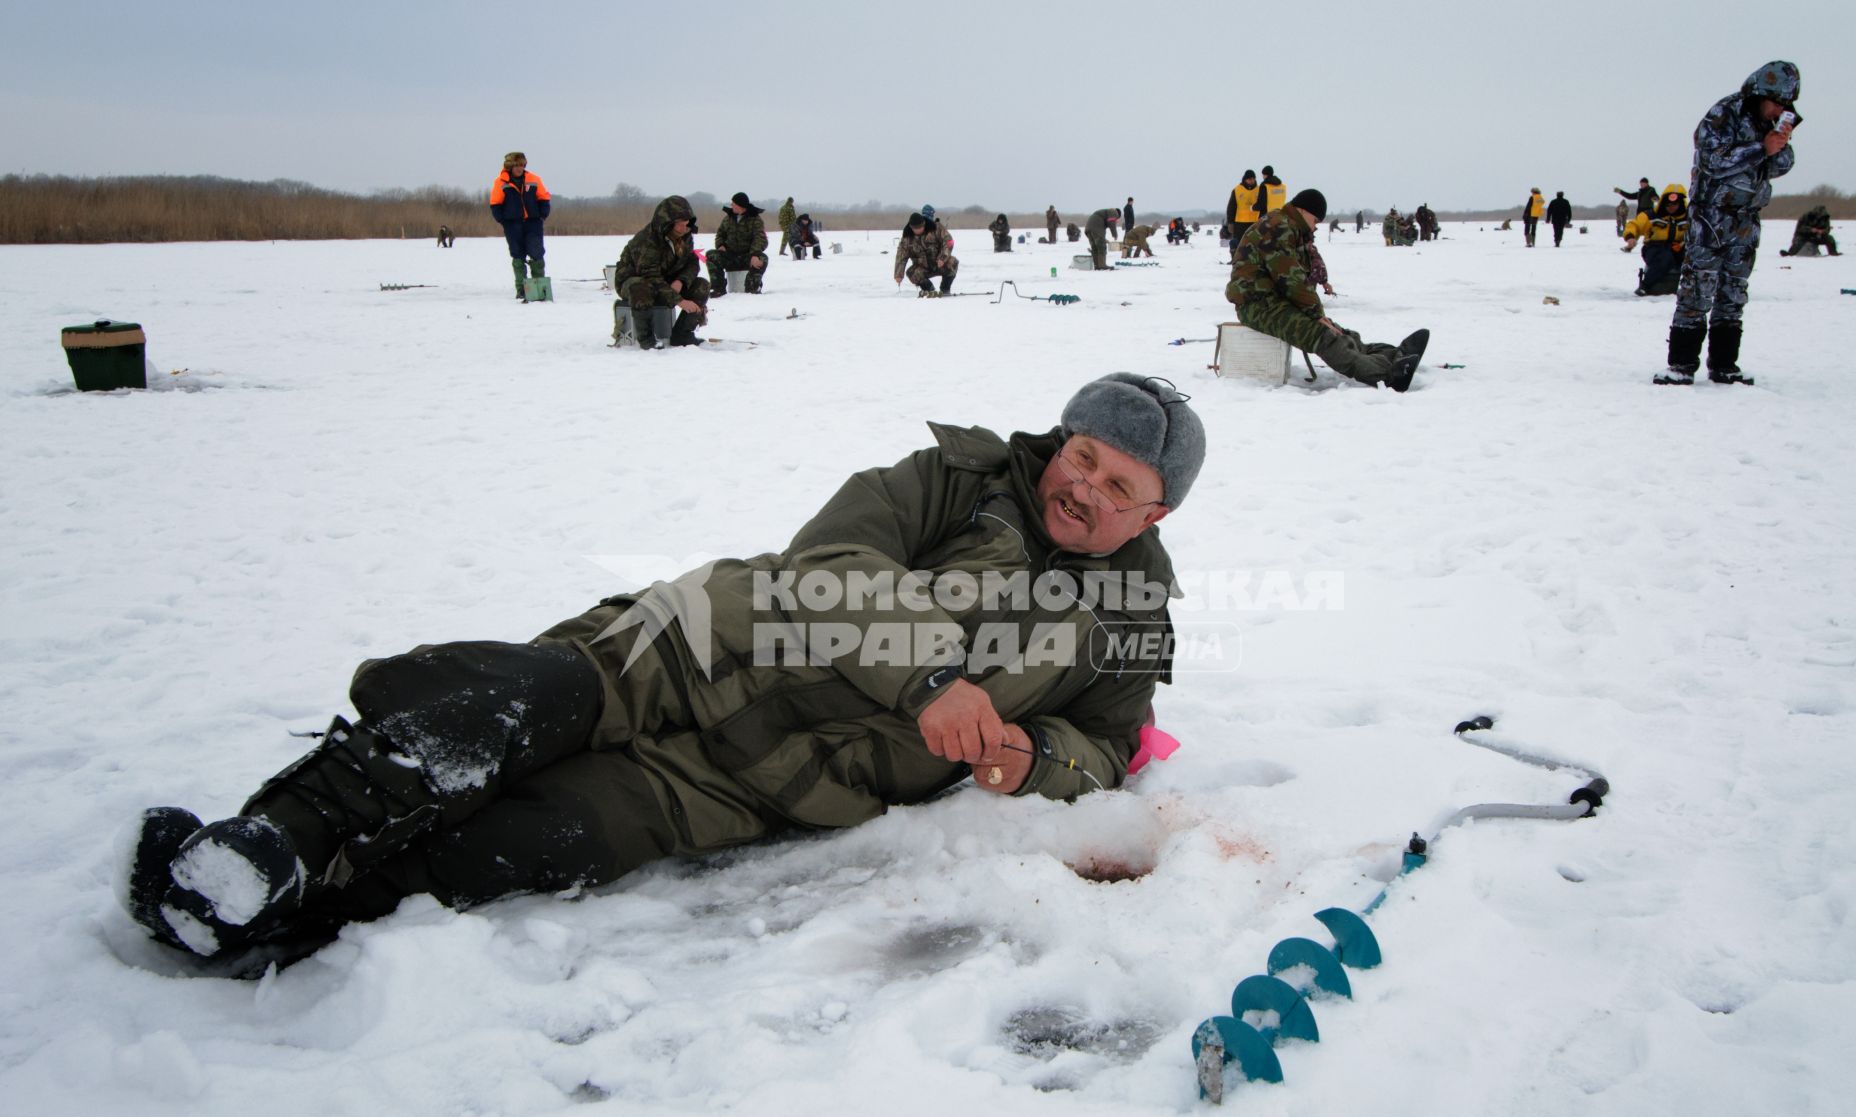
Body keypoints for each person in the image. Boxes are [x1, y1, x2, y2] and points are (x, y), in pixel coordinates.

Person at [124, 376, 1204, 971]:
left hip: (756, 785)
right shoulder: (951, 478)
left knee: (513, 846)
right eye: (1081, 457)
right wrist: (931, 680)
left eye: (1119, 486)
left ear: (1154, 515)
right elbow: (828, 568)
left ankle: (299, 915)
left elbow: (1109, 743)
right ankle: (263, 847)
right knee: (506, 713)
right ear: (1059, 440)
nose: (1085, 489)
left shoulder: (1131, 617)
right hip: (692, 650)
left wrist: (1037, 753)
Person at [1658, 60, 1800, 386]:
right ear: (1761, 93)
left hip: (1746, 220)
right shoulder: (1724, 114)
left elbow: (1780, 166)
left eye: (1785, 105)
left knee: (1733, 294)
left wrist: (1778, 145)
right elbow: (1713, 160)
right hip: (1711, 216)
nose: (1780, 109)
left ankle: (1724, 366)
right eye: (1777, 102)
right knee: (1697, 291)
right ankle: (1680, 365)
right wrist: (1760, 148)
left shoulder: (1771, 125)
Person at [1227, 188, 1428, 392]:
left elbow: (1294, 278)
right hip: (1257, 306)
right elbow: (1291, 278)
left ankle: (1395, 356)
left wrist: (1315, 312)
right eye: (1315, 220)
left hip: (1274, 301)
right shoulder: (1278, 227)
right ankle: (1388, 376)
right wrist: (1315, 313)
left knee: (1337, 332)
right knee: (1321, 335)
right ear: (1303, 211)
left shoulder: (1289, 226)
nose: (1315, 227)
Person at [613, 196, 709, 349]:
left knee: (701, 285)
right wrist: (679, 301)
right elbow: (650, 276)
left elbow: (692, 263)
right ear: (668, 223)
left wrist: (681, 281)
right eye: (681, 225)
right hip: (635, 282)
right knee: (641, 287)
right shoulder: (646, 240)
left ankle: (682, 335)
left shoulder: (685, 236)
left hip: (667, 280)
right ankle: (646, 339)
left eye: (687, 224)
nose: (685, 228)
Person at [488, 151, 551, 300]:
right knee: (517, 255)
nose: (519, 168)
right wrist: (503, 220)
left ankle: (539, 287)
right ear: (510, 166)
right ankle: (522, 289)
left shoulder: (534, 179)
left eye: (522, 165)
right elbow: (495, 204)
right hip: (512, 224)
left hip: (533, 223)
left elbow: (544, 198)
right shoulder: (501, 182)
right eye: (516, 165)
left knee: (537, 254)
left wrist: (542, 215)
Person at [706, 192, 770, 297]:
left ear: (741, 206)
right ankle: (718, 288)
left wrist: (754, 254)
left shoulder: (755, 219)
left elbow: (760, 238)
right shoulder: (728, 218)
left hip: (747, 256)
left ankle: (752, 287)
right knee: (711, 255)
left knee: (763, 258)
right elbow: (720, 234)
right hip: (730, 256)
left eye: (733, 203)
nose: (731, 205)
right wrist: (720, 245)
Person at [1635, 184, 1690, 296]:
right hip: (1654, 248)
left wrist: (1682, 244)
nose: (1671, 207)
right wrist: (1631, 237)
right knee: (1665, 258)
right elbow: (1635, 225)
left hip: (1679, 247)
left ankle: (1693, 289)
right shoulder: (1650, 215)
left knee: (1693, 259)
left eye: (1674, 204)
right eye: (1668, 205)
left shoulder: (1690, 217)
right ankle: (1645, 286)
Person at [894, 212, 959, 296]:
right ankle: (929, 290)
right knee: (911, 272)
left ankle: (945, 289)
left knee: (953, 262)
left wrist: (943, 257)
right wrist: (898, 274)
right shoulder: (907, 238)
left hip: (939, 263)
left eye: (920, 227)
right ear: (911, 227)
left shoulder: (936, 228)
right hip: (922, 268)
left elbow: (948, 241)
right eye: (915, 228)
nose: (918, 230)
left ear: (924, 224)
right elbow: (901, 256)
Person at [1226, 169, 1262, 250]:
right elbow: (1231, 207)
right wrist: (1230, 222)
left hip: (1255, 222)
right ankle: (1236, 260)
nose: (1251, 181)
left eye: (1253, 179)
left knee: (1254, 244)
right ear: (1245, 179)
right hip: (1240, 223)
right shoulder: (1237, 190)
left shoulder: (1260, 190)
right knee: (1239, 244)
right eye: (1249, 179)